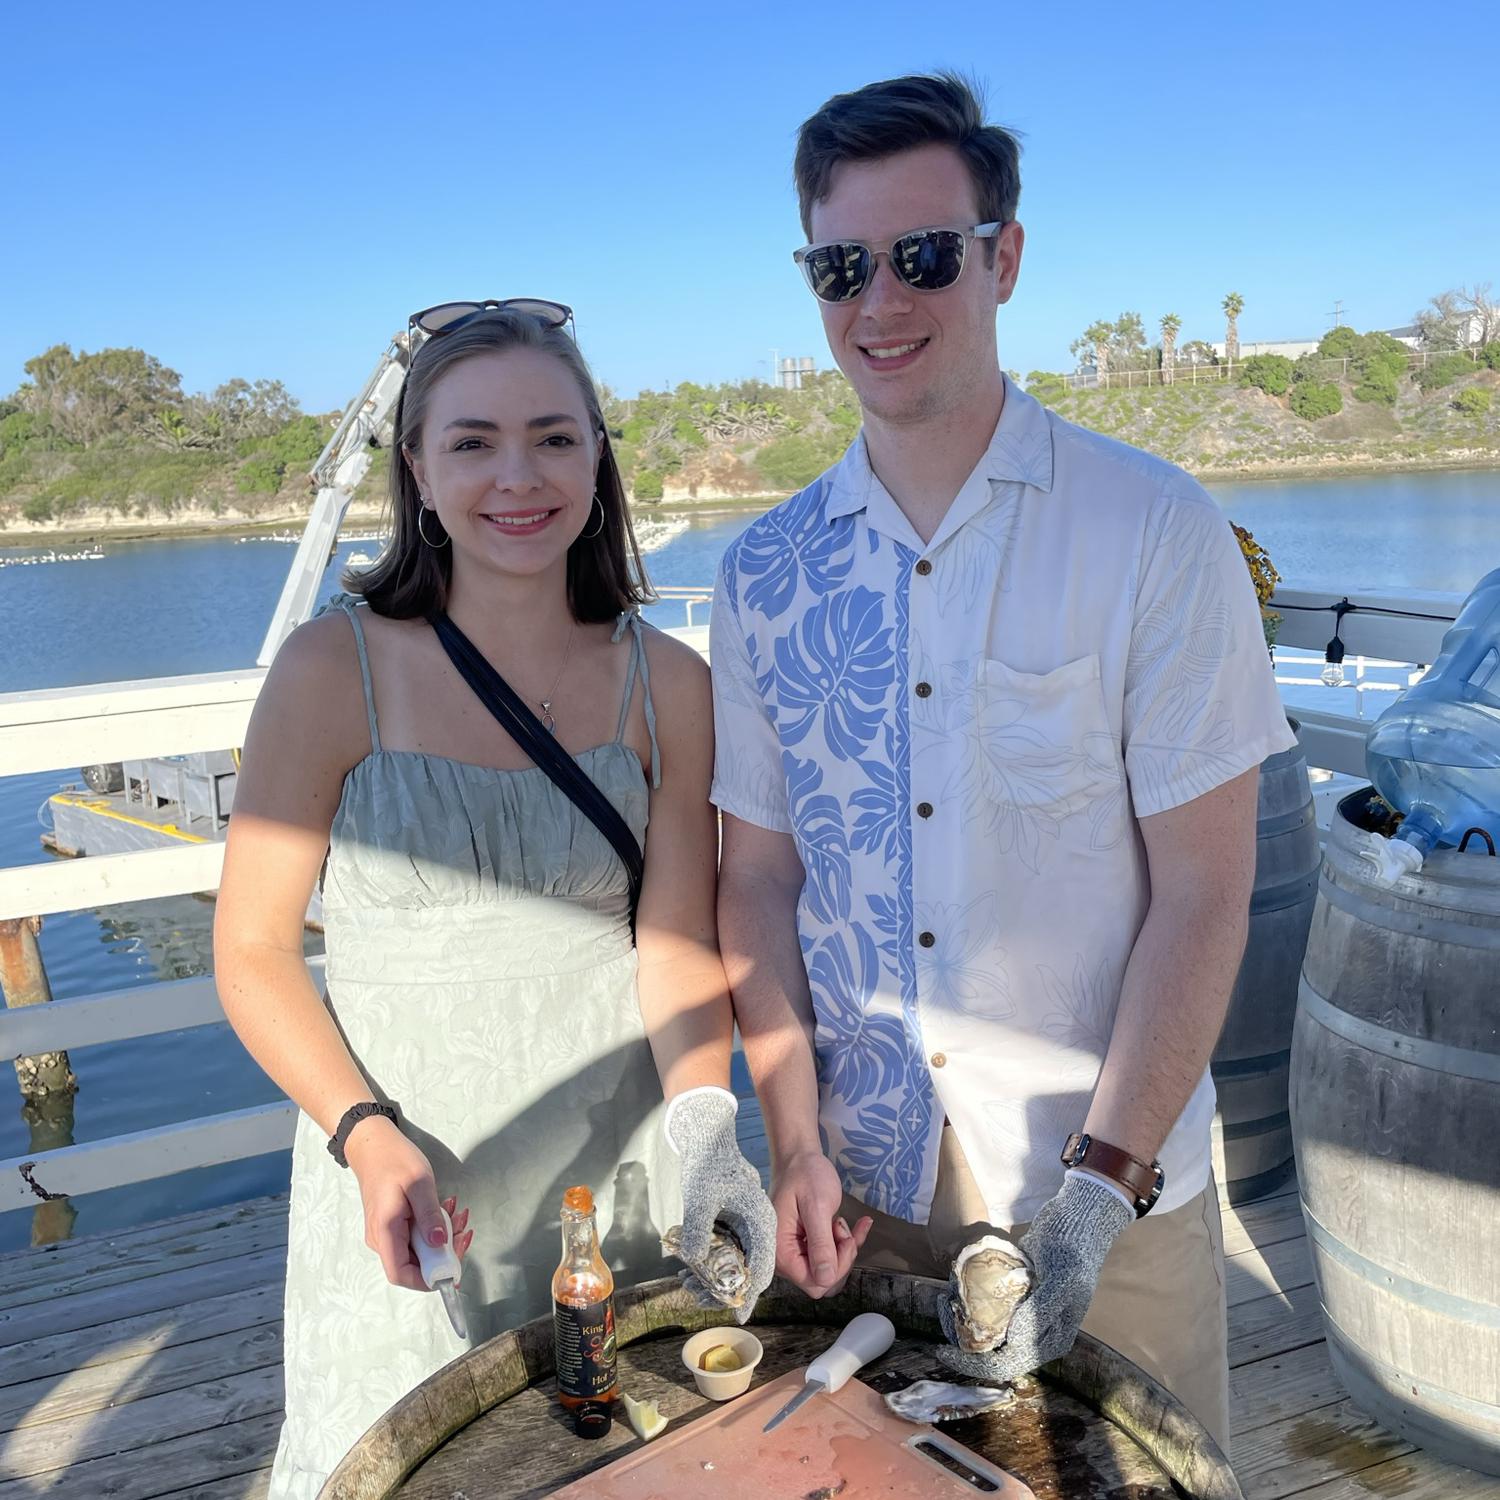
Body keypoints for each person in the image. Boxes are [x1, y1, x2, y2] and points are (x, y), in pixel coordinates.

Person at [710, 74, 1294, 1451]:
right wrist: (791, 1136)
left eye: (924, 256)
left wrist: (1101, 1187)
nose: (880, 301)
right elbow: (756, 880)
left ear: (1003, 257)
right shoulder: (761, 573)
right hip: (864, 1189)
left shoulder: (1158, 532)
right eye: (840, 266)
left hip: (1105, 1173)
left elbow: (1206, 891)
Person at [214, 302, 775, 1497]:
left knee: (622, 1454)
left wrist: (707, 1130)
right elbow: (253, 950)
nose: (517, 477)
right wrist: (364, 1135)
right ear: (415, 468)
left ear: (596, 457)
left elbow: (675, 944)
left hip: (612, 1165)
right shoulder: (334, 669)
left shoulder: (667, 680)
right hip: (403, 1161)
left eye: (554, 438)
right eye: (471, 443)